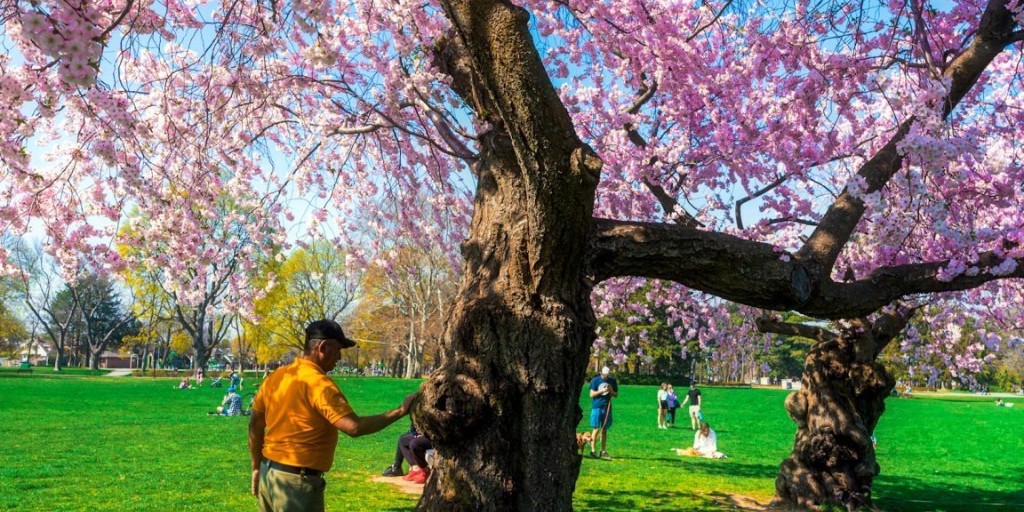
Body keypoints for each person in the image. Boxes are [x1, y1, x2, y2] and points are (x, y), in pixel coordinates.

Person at [248, 319, 418, 511]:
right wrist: (400, 411)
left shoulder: (277, 377)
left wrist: (256, 467)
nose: (339, 357)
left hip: (269, 476)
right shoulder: (319, 384)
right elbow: (354, 427)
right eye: (338, 349)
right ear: (323, 346)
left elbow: (255, 424)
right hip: (296, 484)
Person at [588, 366, 618, 460]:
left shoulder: (612, 381)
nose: (606, 376)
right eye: (604, 374)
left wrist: (611, 391)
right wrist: (602, 391)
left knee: (604, 429)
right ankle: (593, 451)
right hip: (596, 407)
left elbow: (616, 395)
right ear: (601, 372)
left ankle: (603, 451)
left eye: (607, 375)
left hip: (607, 407)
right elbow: (591, 394)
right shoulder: (595, 380)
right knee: (596, 429)